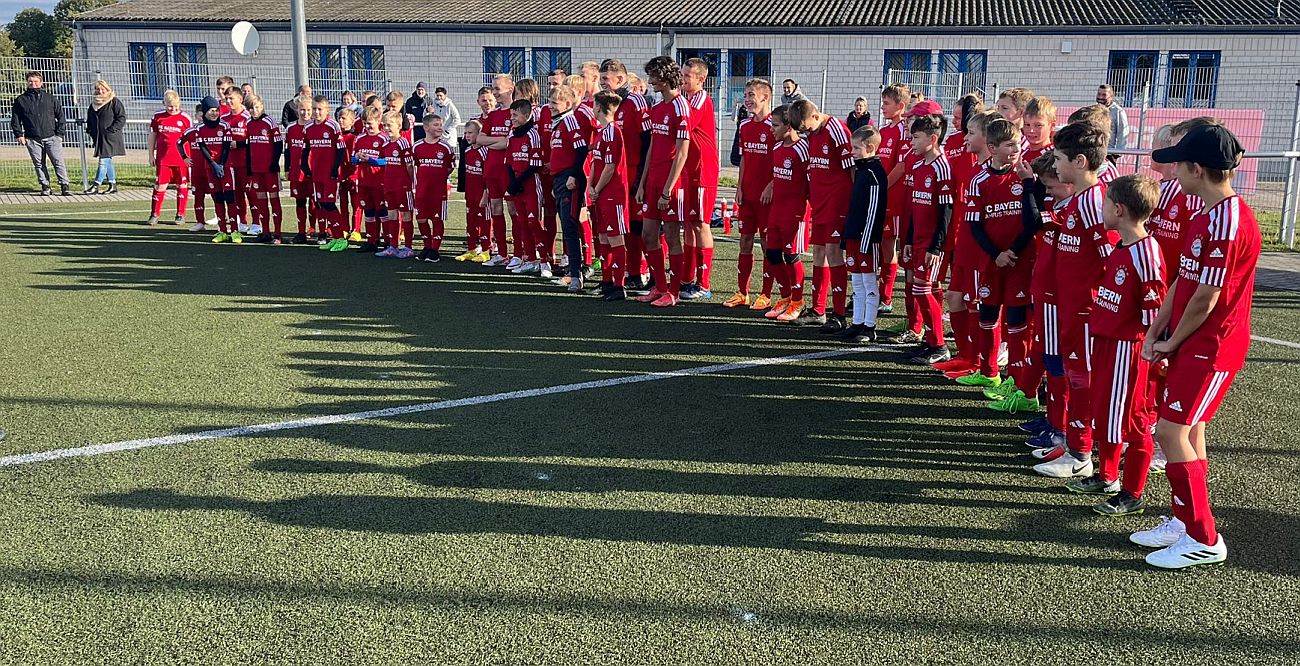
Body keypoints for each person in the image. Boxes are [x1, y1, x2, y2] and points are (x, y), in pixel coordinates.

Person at [1133, 123, 1260, 569]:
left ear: (1197, 169)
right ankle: (1185, 520)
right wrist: (1157, 332)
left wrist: (1172, 341)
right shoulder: (1205, 213)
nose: (1173, 171)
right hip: (1194, 340)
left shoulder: (1228, 219)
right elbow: (1183, 281)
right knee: (1189, 430)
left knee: (1170, 431)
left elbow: (1207, 297)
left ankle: (1204, 537)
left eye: (1179, 163)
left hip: (1214, 345)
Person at [1066, 173, 1165, 516]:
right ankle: (1107, 476)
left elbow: (1154, 311)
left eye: (1106, 202)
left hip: (1129, 348)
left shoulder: (1146, 253)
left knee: (1132, 418)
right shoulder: (1121, 246)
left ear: (1119, 210)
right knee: (1105, 411)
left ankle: (1132, 492)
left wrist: (1155, 355)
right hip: (1106, 341)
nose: (1102, 207)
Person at [1033, 121, 1114, 479]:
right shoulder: (1078, 200)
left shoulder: (1096, 202)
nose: (1056, 164)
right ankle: (1071, 441)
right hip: (1068, 305)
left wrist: (1097, 304)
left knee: (1081, 378)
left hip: (1085, 309)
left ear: (1080, 162)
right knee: (1070, 372)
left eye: (1061, 158)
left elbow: (1113, 258)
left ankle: (1082, 452)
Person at [959, 118, 1035, 386]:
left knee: (1016, 320)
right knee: (988, 314)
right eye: (1009, 144)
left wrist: (1013, 251)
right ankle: (988, 372)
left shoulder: (1026, 177)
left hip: (1020, 261)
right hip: (992, 261)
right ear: (992, 148)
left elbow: (1031, 221)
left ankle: (1014, 380)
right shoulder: (979, 180)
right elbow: (975, 226)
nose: (1016, 149)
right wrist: (996, 254)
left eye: (1018, 143)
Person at [789, 99, 855, 331]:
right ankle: (818, 309)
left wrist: (854, 204)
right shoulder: (811, 132)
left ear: (815, 116)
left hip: (837, 202)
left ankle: (838, 314)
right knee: (818, 252)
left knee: (833, 252)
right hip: (819, 202)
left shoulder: (836, 129)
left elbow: (852, 168)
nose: (805, 132)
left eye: (806, 128)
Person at [897, 111, 954, 365]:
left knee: (922, 290)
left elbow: (946, 211)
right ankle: (930, 341)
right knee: (922, 290)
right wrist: (908, 241)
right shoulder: (919, 166)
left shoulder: (942, 168)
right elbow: (914, 208)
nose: (911, 143)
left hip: (932, 243)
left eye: (916, 138)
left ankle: (940, 345)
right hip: (917, 240)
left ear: (932, 139)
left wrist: (936, 245)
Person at [634, 56, 691, 307]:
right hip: (653, 179)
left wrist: (668, 189)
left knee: (671, 235)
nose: (651, 81)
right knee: (648, 235)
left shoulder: (681, 107)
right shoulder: (656, 109)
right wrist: (643, 183)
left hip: (671, 182)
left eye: (654, 76)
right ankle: (659, 287)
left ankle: (674, 292)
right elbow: (652, 148)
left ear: (666, 76)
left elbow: (682, 152)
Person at [599, 58, 652, 291]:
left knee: (642, 226)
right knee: (625, 227)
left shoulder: (636, 102)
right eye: (600, 79)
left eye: (605, 79)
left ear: (620, 79)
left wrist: (642, 176)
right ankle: (629, 273)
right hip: (616, 176)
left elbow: (647, 139)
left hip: (635, 173)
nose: (602, 83)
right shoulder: (607, 104)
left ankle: (647, 273)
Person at [726, 78, 775, 309]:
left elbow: (783, 159)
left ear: (765, 97)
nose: (747, 100)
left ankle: (766, 293)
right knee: (744, 242)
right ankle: (742, 292)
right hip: (748, 196)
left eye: (751, 95)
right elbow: (744, 157)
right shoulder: (745, 125)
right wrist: (739, 186)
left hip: (767, 198)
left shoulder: (775, 125)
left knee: (767, 244)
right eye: (745, 95)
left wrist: (772, 185)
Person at [839, 125, 887, 343]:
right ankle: (857, 323)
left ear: (870, 147)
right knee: (856, 283)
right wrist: (846, 236)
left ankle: (869, 327)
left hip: (866, 239)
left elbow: (874, 210)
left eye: (857, 148)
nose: (853, 152)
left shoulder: (875, 173)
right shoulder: (860, 170)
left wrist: (867, 240)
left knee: (869, 283)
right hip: (852, 236)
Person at [763, 104, 810, 323]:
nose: (771, 129)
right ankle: (785, 296)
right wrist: (771, 186)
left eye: (775, 125)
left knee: (791, 255)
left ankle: (798, 301)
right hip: (777, 210)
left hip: (795, 211)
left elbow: (810, 180)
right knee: (772, 253)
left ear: (789, 126)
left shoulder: (803, 149)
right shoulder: (777, 148)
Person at [681, 57, 720, 301]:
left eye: (687, 76)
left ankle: (703, 283)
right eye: (682, 75)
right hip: (689, 170)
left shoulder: (700, 100)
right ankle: (689, 278)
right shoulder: (687, 99)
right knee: (691, 224)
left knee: (702, 224)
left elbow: (682, 125)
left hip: (703, 170)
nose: (682, 80)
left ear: (701, 79)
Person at [588, 90, 630, 300]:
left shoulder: (613, 131)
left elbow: (611, 166)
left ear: (598, 107)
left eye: (593, 104)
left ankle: (619, 285)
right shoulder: (602, 132)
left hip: (612, 192)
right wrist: (590, 185)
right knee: (603, 236)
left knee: (615, 237)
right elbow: (597, 161)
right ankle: (606, 281)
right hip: (601, 192)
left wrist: (597, 188)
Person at [548, 85, 590, 290]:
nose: (551, 107)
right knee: (567, 227)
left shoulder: (570, 121)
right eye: (550, 102)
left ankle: (576, 274)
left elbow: (582, 149)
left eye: (555, 103)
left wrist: (574, 174)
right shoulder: (558, 123)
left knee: (570, 226)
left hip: (568, 179)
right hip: (559, 179)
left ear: (567, 104)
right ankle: (575, 272)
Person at [505, 98, 550, 277]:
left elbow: (534, 165)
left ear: (527, 115)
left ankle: (545, 261)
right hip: (517, 186)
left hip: (530, 184)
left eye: (515, 115)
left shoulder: (533, 134)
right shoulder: (511, 134)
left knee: (534, 223)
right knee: (522, 222)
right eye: (511, 115)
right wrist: (512, 184)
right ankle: (530, 259)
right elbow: (508, 162)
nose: (512, 118)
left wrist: (519, 182)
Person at [183, 96, 236, 242]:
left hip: (226, 167)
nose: (214, 113)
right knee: (218, 199)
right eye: (211, 110)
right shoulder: (199, 128)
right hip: (210, 168)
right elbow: (203, 148)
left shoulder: (224, 126)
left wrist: (221, 165)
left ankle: (235, 231)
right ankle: (222, 231)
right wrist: (213, 164)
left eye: (216, 110)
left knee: (230, 198)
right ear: (205, 112)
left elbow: (226, 148)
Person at [11, 72, 70, 196]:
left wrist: (59, 134)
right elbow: (15, 119)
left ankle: (64, 185)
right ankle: (45, 186)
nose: (33, 83)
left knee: (58, 161)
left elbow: (61, 117)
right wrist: (19, 135)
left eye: (36, 81)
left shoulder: (50, 98)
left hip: (52, 136)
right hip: (32, 138)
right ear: (27, 82)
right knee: (39, 164)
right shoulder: (21, 100)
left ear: (41, 82)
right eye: (30, 81)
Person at [478, 75, 515, 268]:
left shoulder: (517, 113)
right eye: (493, 88)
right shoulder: (493, 115)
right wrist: (500, 142)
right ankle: (501, 253)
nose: (494, 92)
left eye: (497, 89)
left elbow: (512, 142)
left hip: (509, 170)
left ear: (510, 89)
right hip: (492, 169)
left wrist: (497, 142)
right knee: (496, 210)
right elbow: (480, 140)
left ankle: (520, 254)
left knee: (514, 211)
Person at [412, 114, 456, 262]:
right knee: (422, 219)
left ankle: (435, 250)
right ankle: (427, 246)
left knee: (437, 219)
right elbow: (416, 165)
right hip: (421, 190)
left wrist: (439, 177)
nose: (440, 128)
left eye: (440, 125)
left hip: (438, 191)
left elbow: (451, 167)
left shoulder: (446, 147)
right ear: (426, 127)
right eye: (436, 125)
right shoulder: (417, 146)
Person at [147, 89, 193, 226]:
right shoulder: (158, 117)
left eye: (176, 106)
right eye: (170, 106)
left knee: (182, 185)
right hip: (163, 159)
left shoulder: (185, 118)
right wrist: (151, 154)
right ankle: (154, 214)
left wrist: (190, 158)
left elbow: (191, 139)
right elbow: (152, 136)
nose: (173, 109)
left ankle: (180, 214)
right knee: (160, 186)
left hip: (181, 159)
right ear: (164, 103)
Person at [244, 95, 284, 244]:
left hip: (270, 169)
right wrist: (249, 167)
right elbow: (248, 147)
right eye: (251, 108)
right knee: (261, 200)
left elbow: (279, 144)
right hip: (256, 169)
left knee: (274, 200)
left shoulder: (269, 122)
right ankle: (265, 232)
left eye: (257, 107)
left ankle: (278, 234)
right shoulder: (248, 123)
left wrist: (275, 163)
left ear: (262, 107)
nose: (254, 111)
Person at [351, 107, 390, 254]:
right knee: (368, 211)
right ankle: (371, 241)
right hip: (364, 181)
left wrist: (373, 161)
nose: (367, 126)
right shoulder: (360, 138)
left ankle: (387, 241)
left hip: (379, 182)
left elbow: (388, 160)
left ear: (378, 121)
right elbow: (353, 159)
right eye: (365, 123)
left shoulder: (384, 139)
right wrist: (357, 159)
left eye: (370, 123)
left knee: (382, 212)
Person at [377, 113, 416, 258]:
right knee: (391, 214)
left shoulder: (403, 143)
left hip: (403, 186)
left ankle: (408, 247)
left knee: (405, 214)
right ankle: (393, 246)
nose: (386, 128)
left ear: (399, 126)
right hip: (389, 185)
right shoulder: (386, 144)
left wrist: (412, 184)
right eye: (384, 125)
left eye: (389, 125)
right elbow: (384, 163)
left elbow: (409, 165)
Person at [458, 120, 492, 262]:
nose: (466, 136)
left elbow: (488, 177)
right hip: (470, 194)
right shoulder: (467, 150)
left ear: (480, 134)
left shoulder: (485, 152)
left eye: (470, 133)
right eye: (465, 133)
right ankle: (471, 249)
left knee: (485, 222)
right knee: (470, 221)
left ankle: (486, 250)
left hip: (482, 195)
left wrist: (486, 195)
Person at [85, 79, 126, 195]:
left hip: (110, 137)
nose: (100, 91)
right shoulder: (93, 104)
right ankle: (113, 184)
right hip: (99, 137)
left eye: (102, 89)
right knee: (107, 161)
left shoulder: (114, 101)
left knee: (103, 160)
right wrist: (90, 131)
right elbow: (90, 119)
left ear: (107, 89)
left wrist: (112, 129)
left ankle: (96, 184)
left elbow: (121, 117)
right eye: (98, 89)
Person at [221, 88, 253, 234]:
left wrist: (238, 144)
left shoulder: (247, 117)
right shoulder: (224, 119)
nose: (228, 101)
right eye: (227, 98)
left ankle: (257, 223)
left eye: (231, 98)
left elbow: (254, 140)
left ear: (240, 99)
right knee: (237, 193)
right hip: (230, 163)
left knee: (251, 193)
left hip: (246, 162)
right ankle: (242, 221)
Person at [284, 97, 313, 243]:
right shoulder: (291, 128)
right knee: (300, 202)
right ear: (297, 109)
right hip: (296, 171)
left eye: (308, 109)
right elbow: (288, 150)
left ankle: (316, 230)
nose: (305, 113)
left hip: (312, 172)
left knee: (315, 202)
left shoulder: (315, 127)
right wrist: (286, 168)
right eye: (302, 109)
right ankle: (301, 232)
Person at [1097, 84, 1130, 150]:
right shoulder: (1094, 110)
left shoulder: (1118, 111)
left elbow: (1123, 134)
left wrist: (1117, 153)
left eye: (1104, 95)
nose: (1100, 97)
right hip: (1094, 151)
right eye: (1099, 94)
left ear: (1111, 97)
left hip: (1109, 152)